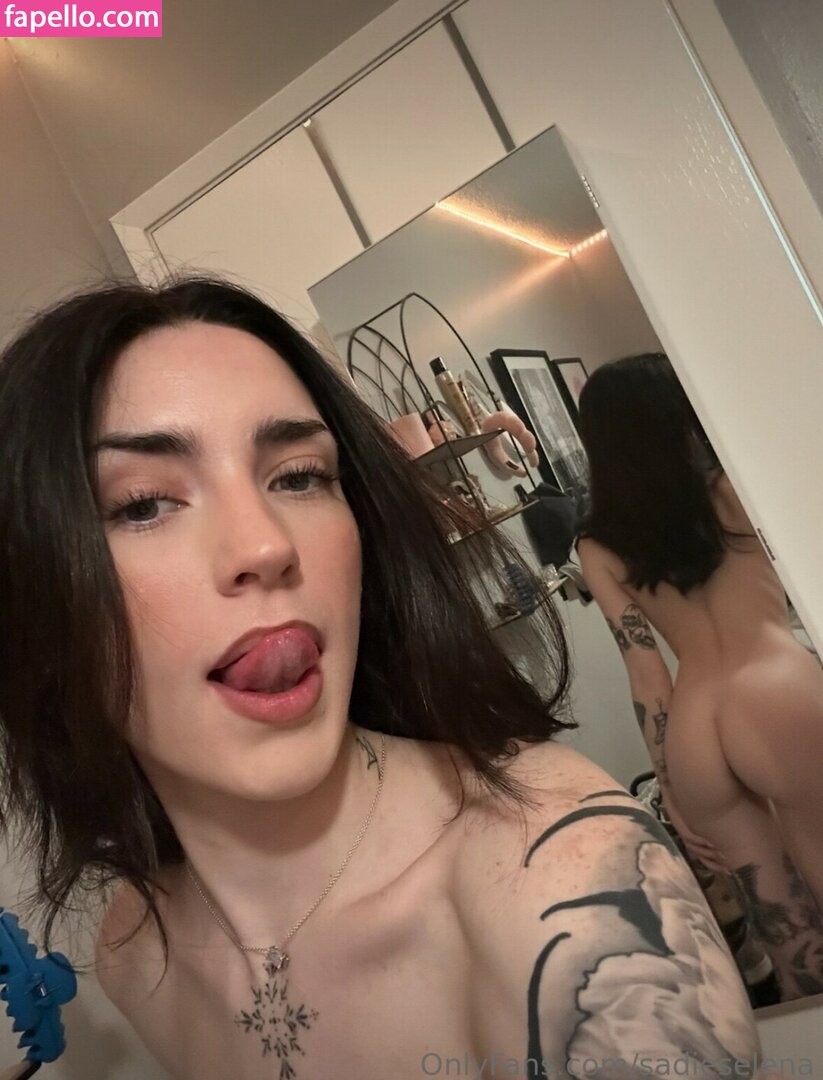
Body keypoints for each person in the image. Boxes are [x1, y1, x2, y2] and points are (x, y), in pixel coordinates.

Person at [0, 284, 762, 1079]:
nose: (265, 545)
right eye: (144, 504)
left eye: (298, 477)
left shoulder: (566, 887)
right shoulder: (136, 953)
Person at [576, 353, 823, 1002]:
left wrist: (670, 785)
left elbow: (646, 673)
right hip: (775, 689)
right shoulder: (734, 487)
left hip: (694, 724)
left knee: (782, 926)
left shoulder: (597, 544)